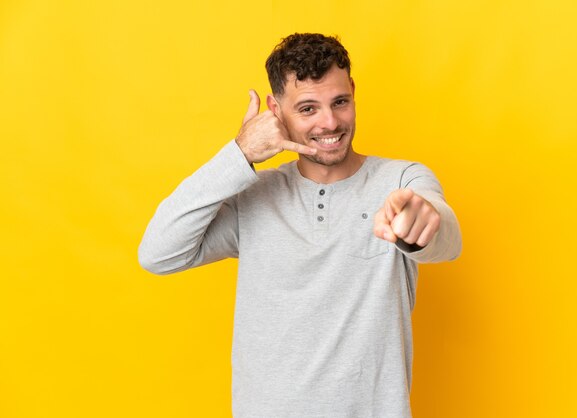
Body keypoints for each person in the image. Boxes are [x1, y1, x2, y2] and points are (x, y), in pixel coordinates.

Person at [139, 33, 461, 418]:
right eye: (308, 109)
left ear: (353, 92)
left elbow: (447, 239)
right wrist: (239, 154)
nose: (330, 122)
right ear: (275, 111)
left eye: (339, 102)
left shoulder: (401, 181)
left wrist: (423, 222)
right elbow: (157, 253)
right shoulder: (254, 196)